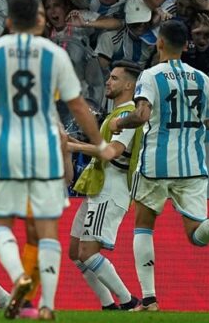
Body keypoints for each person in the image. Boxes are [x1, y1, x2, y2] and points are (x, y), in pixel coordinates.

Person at [0, 0, 115, 320]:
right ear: (39, 21)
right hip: (44, 146)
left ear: (7, 21)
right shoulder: (54, 54)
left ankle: (21, 283)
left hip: (6, 149)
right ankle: (44, 302)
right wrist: (99, 142)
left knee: (0, 225)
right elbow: (78, 105)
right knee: (44, 231)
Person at [108, 20, 209, 311]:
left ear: (160, 43)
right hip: (192, 165)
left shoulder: (151, 75)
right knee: (196, 236)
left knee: (143, 226)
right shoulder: (201, 78)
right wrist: (204, 123)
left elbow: (141, 115)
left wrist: (119, 122)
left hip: (156, 164)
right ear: (186, 45)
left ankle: (150, 299)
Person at [66, 61, 143, 311]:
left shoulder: (127, 116)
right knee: (76, 252)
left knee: (88, 252)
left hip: (111, 189)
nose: (108, 82)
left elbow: (111, 152)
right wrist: (71, 140)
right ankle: (108, 305)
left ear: (129, 85)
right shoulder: (116, 113)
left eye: (114, 78)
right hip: (97, 187)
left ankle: (129, 301)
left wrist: (74, 147)